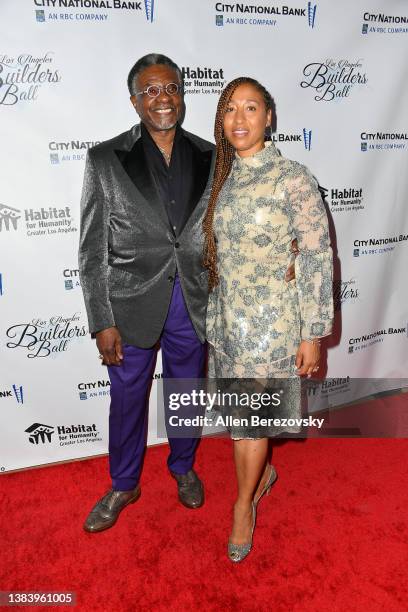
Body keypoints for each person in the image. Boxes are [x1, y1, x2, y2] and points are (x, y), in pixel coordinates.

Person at [78, 53, 215, 532]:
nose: (163, 99)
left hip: (191, 302)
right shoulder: (104, 159)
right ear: (134, 100)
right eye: (151, 91)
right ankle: (124, 482)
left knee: (184, 393)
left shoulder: (211, 155)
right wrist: (101, 319)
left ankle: (182, 466)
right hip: (130, 302)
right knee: (128, 399)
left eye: (171, 88)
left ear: (182, 93)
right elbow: (91, 249)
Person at [203, 77, 333, 562]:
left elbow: (317, 256)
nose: (239, 119)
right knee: (240, 422)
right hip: (229, 324)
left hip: (274, 326)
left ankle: (243, 505)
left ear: (269, 117)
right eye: (231, 109)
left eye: (251, 108)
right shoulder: (223, 175)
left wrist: (312, 332)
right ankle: (263, 475)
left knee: (251, 425)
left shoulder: (292, 177)